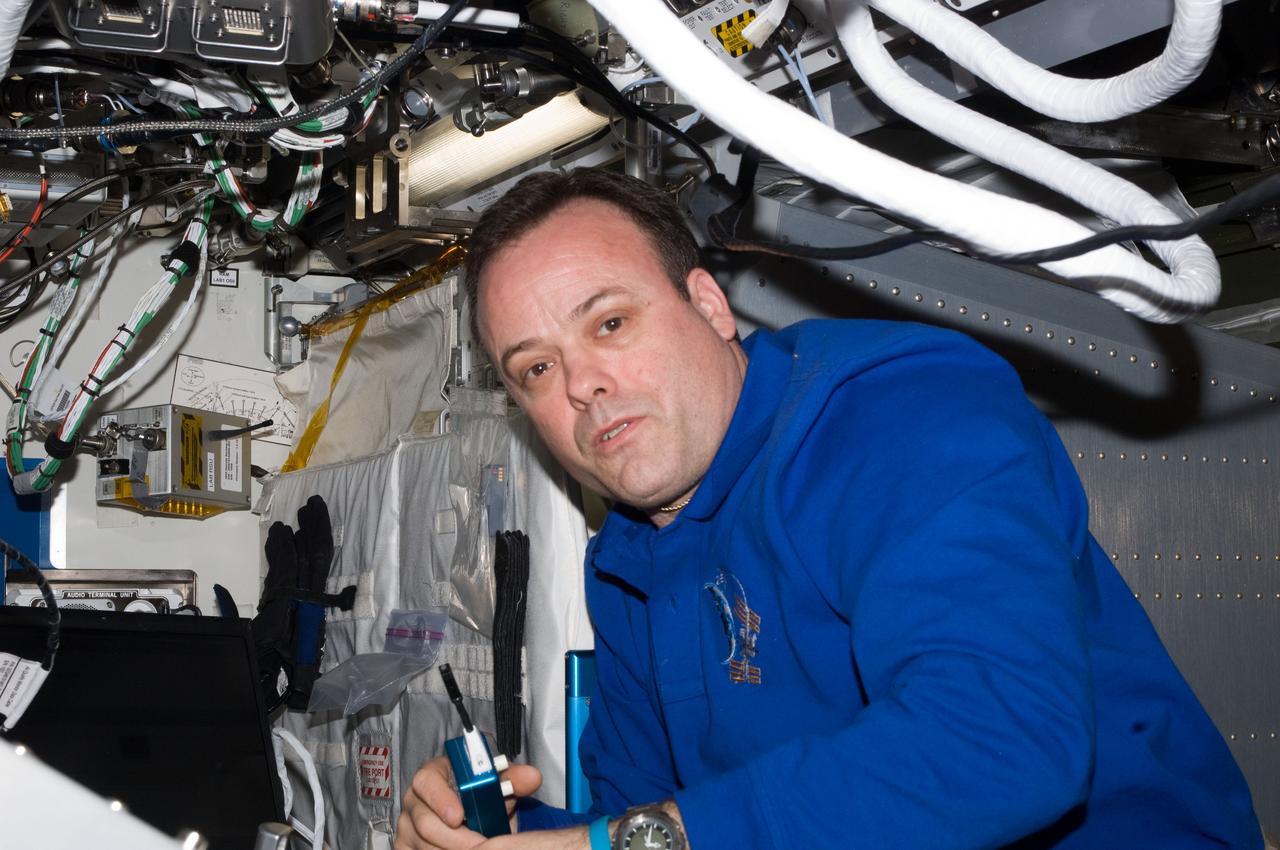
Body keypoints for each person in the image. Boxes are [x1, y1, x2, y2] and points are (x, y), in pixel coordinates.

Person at [395, 169, 1262, 850]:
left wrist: (627, 841)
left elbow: (1005, 740)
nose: (582, 383)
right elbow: (645, 821)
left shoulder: (904, 414)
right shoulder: (626, 558)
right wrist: (505, 836)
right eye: (536, 369)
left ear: (708, 305)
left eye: (610, 324)